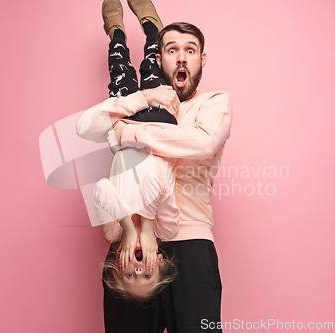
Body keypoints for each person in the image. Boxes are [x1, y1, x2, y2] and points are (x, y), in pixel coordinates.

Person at [77, 0, 233, 331]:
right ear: (159, 58)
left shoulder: (214, 102)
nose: (181, 57)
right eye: (172, 49)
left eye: (190, 51)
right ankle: (128, 28)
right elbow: (85, 128)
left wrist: (126, 133)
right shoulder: (133, 105)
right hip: (127, 247)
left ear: (201, 59)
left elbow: (199, 143)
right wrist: (140, 103)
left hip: (190, 244)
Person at [79, 0, 183, 300]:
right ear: (160, 262)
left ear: (117, 263)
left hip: (125, 126)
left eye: (129, 274)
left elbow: (100, 189)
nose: (138, 268)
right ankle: (152, 26)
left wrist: (127, 227)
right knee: (153, 63)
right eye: (146, 274)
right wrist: (147, 228)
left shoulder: (112, 231)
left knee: (118, 68)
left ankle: (116, 33)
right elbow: (155, 180)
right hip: (161, 122)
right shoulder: (167, 229)